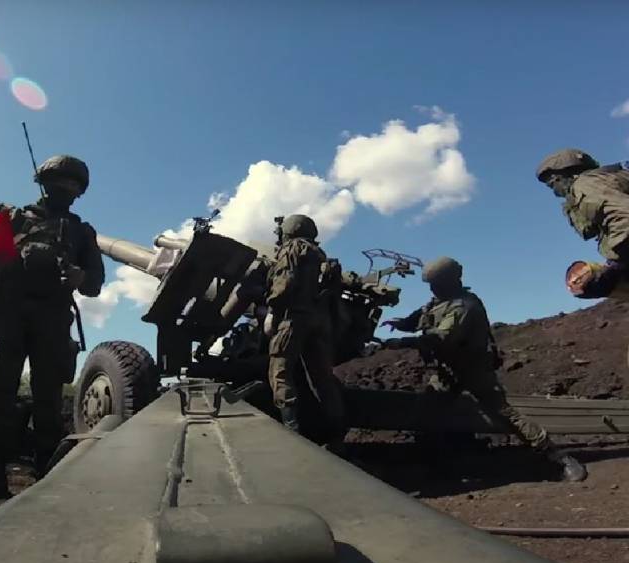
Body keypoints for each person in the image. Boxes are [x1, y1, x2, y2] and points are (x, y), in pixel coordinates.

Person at [0, 155, 105, 499]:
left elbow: (95, 283)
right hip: (7, 315)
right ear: (44, 183)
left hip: (52, 320)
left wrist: (81, 276)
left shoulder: (82, 233)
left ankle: (47, 473)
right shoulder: (13, 219)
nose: (65, 191)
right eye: (60, 183)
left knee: (48, 398)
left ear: (79, 193)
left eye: (73, 186)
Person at [381, 256, 587, 482]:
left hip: (473, 370)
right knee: (427, 411)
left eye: (436, 284)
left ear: (450, 281)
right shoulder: (440, 302)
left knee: (505, 414)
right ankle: (437, 459)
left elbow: (441, 338)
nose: (433, 289)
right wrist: (401, 324)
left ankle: (558, 457)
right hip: (448, 371)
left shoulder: (464, 306)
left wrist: (401, 343)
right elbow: (421, 317)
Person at [265, 214, 346, 455]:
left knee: (279, 372)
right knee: (322, 379)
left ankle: (292, 434)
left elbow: (284, 285)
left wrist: (272, 311)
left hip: (295, 319)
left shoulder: (292, 249)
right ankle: (337, 436)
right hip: (320, 323)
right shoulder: (320, 256)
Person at [536, 148, 629, 296]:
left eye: (553, 184)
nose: (555, 192)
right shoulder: (604, 179)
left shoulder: (585, 185)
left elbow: (624, 219)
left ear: (562, 175)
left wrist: (617, 264)